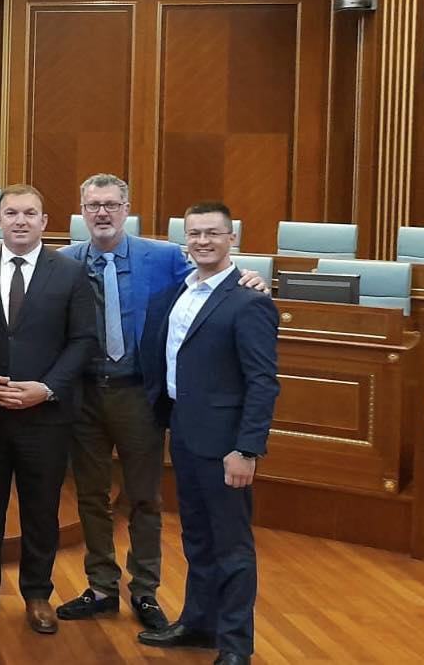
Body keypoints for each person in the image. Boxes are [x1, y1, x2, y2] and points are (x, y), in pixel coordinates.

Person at [56, 174, 266, 631]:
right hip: (86, 395)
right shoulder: (66, 261)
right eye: (94, 205)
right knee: (91, 495)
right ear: (82, 209)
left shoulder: (165, 257)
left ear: (127, 208)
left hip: (138, 394)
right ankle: (100, 586)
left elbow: (215, 277)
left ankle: (144, 590)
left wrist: (255, 274)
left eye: (112, 204)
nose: (103, 213)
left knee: (144, 497)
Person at [137, 201, 279, 665]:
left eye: (212, 234)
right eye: (194, 233)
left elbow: (263, 382)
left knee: (232, 547)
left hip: (225, 446)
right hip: (183, 432)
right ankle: (199, 624)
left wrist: (247, 448)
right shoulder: (178, 292)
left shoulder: (249, 299)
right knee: (196, 538)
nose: (203, 241)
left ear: (231, 237)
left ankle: (236, 645)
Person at [0, 184, 97, 635]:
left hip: (46, 416)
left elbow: (82, 340)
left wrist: (48, 388)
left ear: (44, 221)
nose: (21, 221)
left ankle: (38, 593)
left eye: (30, 213)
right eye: (12, 213)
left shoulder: (71, 273)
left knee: (41, 510)